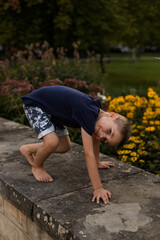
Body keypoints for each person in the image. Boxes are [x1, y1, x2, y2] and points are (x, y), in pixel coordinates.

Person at [20, 85, 132, 204]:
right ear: (113, 115)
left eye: (105, 140)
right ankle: (37, 166)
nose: (103, 135)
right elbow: (88, 154)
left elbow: (94, 140)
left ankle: (28, 149)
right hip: (37, 105)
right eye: (109, 131)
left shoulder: (97, 116)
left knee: (64, 146)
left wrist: (97, 162)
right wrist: (98, 188)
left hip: (53, 113)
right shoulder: (87, 112)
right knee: (52, 142)